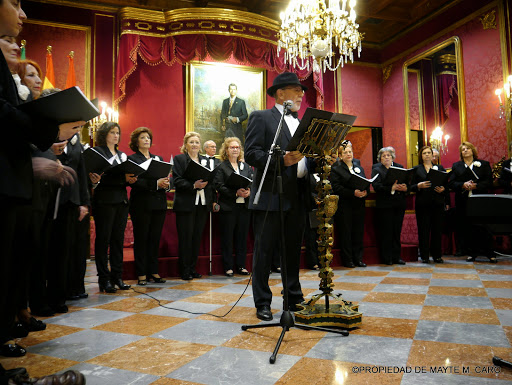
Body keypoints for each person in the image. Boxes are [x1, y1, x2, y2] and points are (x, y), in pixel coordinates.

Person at [0, 0, 84, 377]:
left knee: (17, 263)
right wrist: (44, 137)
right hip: (12, 183)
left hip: (20, 185)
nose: (22, 14)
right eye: (14, 3)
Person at [245, 71, 309, 321]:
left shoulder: (302, 123)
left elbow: (307, 158)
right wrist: (280, 161)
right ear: (280, 94)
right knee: (264, 252)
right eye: (297, 90)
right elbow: (251, 153)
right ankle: (262, 302)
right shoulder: (262, 118)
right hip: (271, 194)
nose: (302, 94)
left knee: (292, 251)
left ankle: (293, 297)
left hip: (298, 194)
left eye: (302, 91)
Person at [89, 122, 134, 292]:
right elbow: (96, 177)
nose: (116, 135)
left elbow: (124, 175)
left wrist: (130, 178)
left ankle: (117, 276)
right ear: (104, 134)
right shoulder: (98, 153)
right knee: (103, 239)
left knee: (118, 240)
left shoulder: (122, 155)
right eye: (112, 132)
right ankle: (104, 279)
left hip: (121, 201)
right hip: (104, 200)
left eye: (117, 133)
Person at [128, 127, 169, 285]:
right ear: (136, 142)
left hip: (159, 203)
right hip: (141, 204)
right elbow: (135, 182)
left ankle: (153, 271)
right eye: (143, 137)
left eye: (148, 138)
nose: (147, 140)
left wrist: (165, 183)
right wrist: (155, 183)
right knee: (142, 239)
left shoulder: (157, 158)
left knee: (154, 239)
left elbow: (163, 178)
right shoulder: (132, 159)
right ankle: (141, 273)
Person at [172, 132, 216, 280]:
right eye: (191, 142)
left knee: (197, 238)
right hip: (186, 204)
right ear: (185, 145)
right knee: (186, 238)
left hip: (202, 204)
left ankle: (192, 268)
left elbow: (211, 179)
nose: (195, 145)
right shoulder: (179, 159)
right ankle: (184, 270)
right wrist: (193, 185)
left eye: (197, 142)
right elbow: (177, 181)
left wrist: (208, 182)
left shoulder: (205, 160)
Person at [449, 142, 495, 263]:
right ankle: (471, 253)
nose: (465, 151)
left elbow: (489, 182)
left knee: (484, 225)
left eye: (468, 148)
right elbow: (452, 183)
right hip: (464, 200)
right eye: (463, 149)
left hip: (480, 199)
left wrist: (476, 186)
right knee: (467, 226)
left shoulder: (483, 164)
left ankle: (490, 253)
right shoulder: (457, 166)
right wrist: (463, 185)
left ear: (473, 150)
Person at [213, 137, 253, 277]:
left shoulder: (246, 167)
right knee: (227, 238)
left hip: (244, 207)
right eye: (232, 147)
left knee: (242, 238)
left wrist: (249, 191)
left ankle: (241, 265)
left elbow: (252, 182)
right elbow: (219, 185)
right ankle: (228, 266)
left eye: (237, 147)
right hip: (228, 207)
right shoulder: (221, 167)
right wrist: (235, 192)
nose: (235, 149)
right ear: (226, 150)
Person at [331, 142, 368, 268]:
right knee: (346, 233)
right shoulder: (336, 169)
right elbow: (336, 187)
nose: (348, 154)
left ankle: (358, 258)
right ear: (340, 156)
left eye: (350, 152)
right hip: (344, 205)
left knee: (358, 232)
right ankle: (348, 260)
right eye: (345, 152)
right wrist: (353, 192)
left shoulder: (359, 167)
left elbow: (364, 181)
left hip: (359, 205)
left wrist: (364, 191)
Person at [410, 146, 448, 264]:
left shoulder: (439, 168)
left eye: (429, 153)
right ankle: (425, 256)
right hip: (423, 203)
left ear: (433, 155)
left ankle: (437, 255)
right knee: (424, 230)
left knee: (437, 230)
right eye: (424, 153)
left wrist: (443, 189)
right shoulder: (416, 169)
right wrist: (418, 186)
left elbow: (446, 184)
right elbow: (410, 186)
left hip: (437, 203)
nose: (427, 155)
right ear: (421, 156)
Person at [371, 147, 408, 265]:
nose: (386, 157)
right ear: (380, 158)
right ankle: (387, 258)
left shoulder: (400, 167)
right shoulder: (376, 169)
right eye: (383, 156)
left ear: (392, 157)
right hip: (385, 205)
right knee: (386, 232)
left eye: (388, 155)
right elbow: (376, 186)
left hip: (399, 203)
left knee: (397, 231)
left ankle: (397, 257)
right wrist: (390, 188)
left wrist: (405, 188)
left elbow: (407, 182)